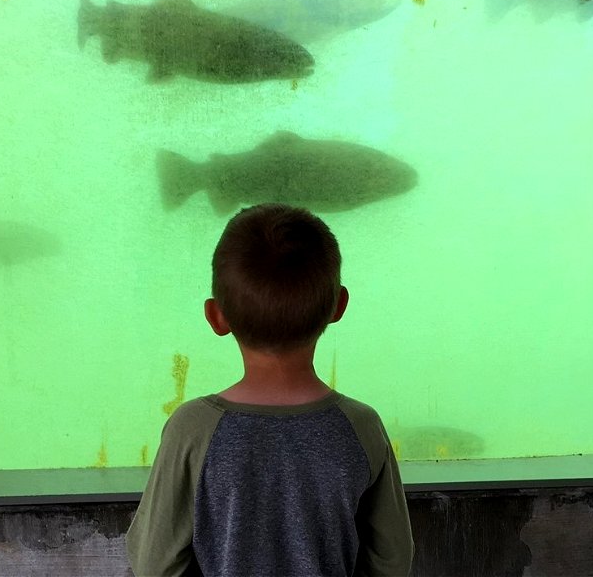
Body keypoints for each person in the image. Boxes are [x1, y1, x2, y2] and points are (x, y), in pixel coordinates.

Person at [126, 203, 414, 577]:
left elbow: (154, 563)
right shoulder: (361, 426)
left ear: (216, 316)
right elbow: (393, 559)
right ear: (338, 306)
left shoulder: (193, 429)